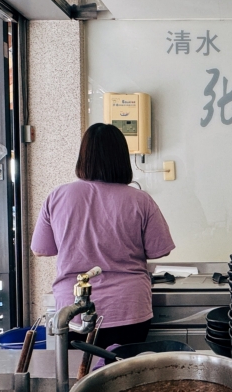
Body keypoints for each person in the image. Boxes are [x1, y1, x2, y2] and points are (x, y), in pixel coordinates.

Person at [31, 123, 175, 348]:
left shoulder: (57, 197)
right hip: (128, 307)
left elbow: (41, 249)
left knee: (80, 377)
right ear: (122, 158)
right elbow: (160, 249)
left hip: (73, 310)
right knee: (123, 376)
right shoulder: (140, 200)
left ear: (83, 157)